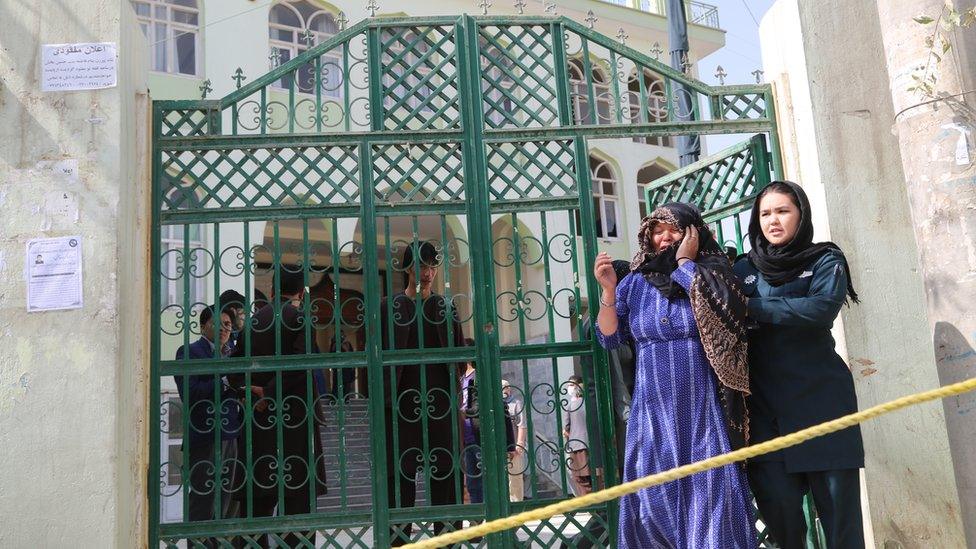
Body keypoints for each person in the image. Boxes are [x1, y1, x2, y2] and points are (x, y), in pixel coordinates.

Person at [594, 202, 756, 548]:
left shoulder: (713, 272)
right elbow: (609, 337)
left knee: (710, 499)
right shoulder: (635, 282)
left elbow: (724, 312)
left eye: (674, 229)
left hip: (702, 407)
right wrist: (608, 290)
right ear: (647, 236)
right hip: (652, 412)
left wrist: (685, 264)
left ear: (693, 234)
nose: (665, 236)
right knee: (653, 503)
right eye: (657, 229)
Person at [733, 180, 864, 549]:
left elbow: (821, 308)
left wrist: (753, 308)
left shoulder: (825, 259)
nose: (773, 221)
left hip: (824, 408)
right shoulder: (743, 268)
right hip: (765, 417)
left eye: (782, 211)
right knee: (784, 526)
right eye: (765, 213)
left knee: (842, 529)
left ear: (801, 215)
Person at [228, 269, 326, 547]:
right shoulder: (300, 318)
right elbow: (300, 366)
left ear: (272, 290)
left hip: (259, 421)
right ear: (301, 294)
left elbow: (233, 366)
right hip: (296, 422)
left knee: (258, 503)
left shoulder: (254, 321)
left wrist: (249, 392)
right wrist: (270, 392)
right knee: (298, 506)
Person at [380, 241, 467, 545]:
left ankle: (447, 541)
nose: (427, 272)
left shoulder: (445, 306)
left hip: (441, 407)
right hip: (400, 409)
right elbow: (374, 359)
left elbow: (457, 356)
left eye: (431, 266)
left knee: (446, 477)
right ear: (407, 269)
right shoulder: (389, 307)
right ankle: (399, 542)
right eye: (420, 265)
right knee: (399, 480)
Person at [174, 306, 242, 531]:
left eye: (228, 325)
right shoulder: (189, 352)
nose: (224, 328)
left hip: (231, 433)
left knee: (225, 501)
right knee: (204, 501)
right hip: (205, 436)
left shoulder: (233, 353)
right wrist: (225, 382)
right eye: (218, 323)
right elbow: (190, 393)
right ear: (203, 327)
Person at [459, 344, 483, 506]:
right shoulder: (460, 378)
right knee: (472, 483)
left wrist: (464, 412)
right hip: (464, 436)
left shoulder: (478, 376)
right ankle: (478, 520)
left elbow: (480, 404)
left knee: (484, 480)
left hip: (477, 434)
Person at [562, 375, 591, 497]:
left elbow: (565, 429)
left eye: (571, 385)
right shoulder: (589, 402)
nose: (569, 388)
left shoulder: (570, 405)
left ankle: (589, 503)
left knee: (579, 477)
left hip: (576, 446)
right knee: (591, 476)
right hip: (588, 444)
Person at [501, 378, 528, 502]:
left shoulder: (516, 403)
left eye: (506, 387)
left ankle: (516, 506)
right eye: (502, 387)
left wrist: (520, 444)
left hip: (514, 447)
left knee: (515, 478)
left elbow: (522, 424)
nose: (505, 389)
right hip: (500, 447)